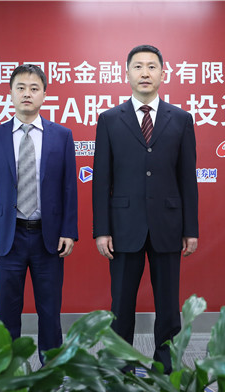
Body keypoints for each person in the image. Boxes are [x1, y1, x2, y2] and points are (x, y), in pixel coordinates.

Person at [92, 45, 199, 373]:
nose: (145, 73)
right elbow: (102, 180)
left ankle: (166, 366)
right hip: (124, 226)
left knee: (168, 304)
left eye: (152, 66)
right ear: (126, 73)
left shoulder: (181, 119)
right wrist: (101, 230)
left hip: (168, 225)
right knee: (121, 303)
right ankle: (120, 365)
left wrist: (190, 229)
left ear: (163, 74)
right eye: (138, 66)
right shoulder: (110, 120)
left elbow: (187, 179)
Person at [0, 64, 78, 365]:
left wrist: (69, 231)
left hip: (49, 237)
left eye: (34, 88)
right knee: (7, 313)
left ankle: (52, 373)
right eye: (20, 88)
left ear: (44, 95)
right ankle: (9, 374)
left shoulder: (62, 136)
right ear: (10, 94)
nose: (27, 94)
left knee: (50, 311)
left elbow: (69, 188)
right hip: (8, 237)